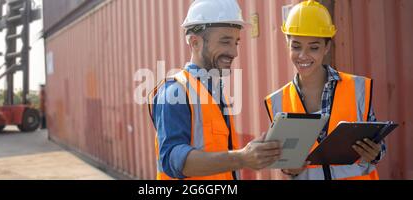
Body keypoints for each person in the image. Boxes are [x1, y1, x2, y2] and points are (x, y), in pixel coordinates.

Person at [148, 0, 282, 180]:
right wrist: (242, 158)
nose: (234, 52)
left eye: (236, 42)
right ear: (195, 43)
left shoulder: (214, 92)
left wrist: (252, 155)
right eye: (225, 42)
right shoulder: (175, 92)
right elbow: (173, 159)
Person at [264, 0, 386, 180]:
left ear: (327, 47)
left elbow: (379, 147)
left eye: (313, 47)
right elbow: (285, 164)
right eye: (296, 46)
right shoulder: (277, 101)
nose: (303, 55)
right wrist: (289, 169)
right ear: (287, 44)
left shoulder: (357, 88)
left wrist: (375, 152)